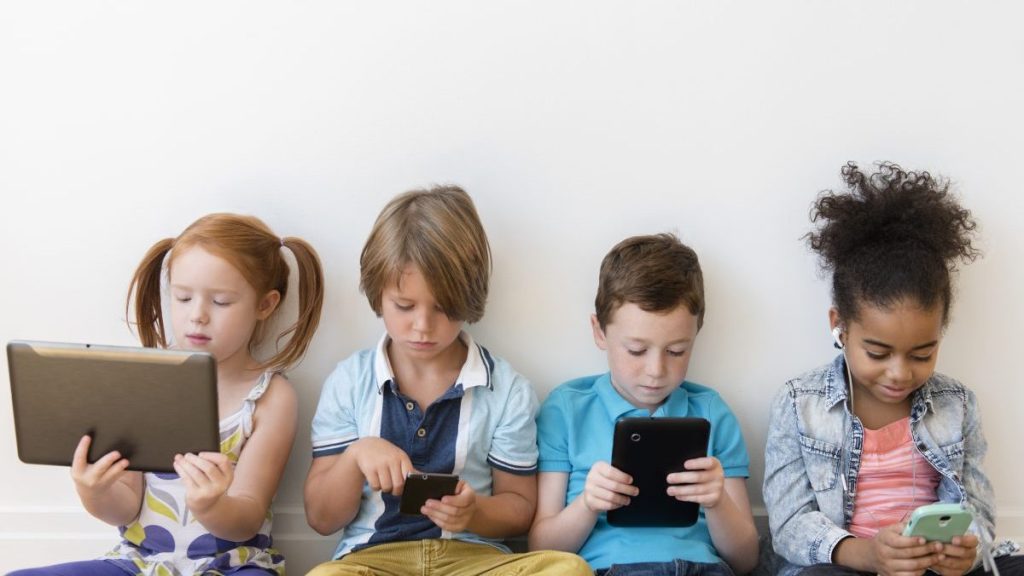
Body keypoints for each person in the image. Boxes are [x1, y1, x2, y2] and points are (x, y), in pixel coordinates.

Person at [9, 213, 325, 576]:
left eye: (221, 301)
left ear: (265, 305)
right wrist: (93, 491)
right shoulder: (144, 379)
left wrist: (212, 505)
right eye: (183, 297)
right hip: (140, 564)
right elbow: (126, 508)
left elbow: (247, 520)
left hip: (232, 566)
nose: (198, 316)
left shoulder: (271, 397)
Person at [303, 185, 590, 575]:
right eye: (404, 306)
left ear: (467, 299)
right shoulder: (349, 382)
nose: (422, 326)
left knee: (568, 569)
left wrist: (475, 512)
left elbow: (520, 509)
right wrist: (356, 457)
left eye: (443, 308)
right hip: (373, 561)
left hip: (474, 560)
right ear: (378, 294)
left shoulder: (506, 390)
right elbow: (321, 518)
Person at [763, 162, 1024, 576]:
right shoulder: (799, 404)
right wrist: (868, 554)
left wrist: (964, 551)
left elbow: (977, 512)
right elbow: (789, 524)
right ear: (839, 326)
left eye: (921, 354)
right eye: (878, 353)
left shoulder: (958, 404)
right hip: (847, 565)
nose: (900, 373)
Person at [529, 233, 760, 576]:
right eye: (636, 350)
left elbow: (746, 560)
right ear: (600, 332)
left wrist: (717, 502)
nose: (656, 371)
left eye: (676, 351)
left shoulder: (712, 412)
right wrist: (588, 504)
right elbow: (541, 550)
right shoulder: (567, 409)